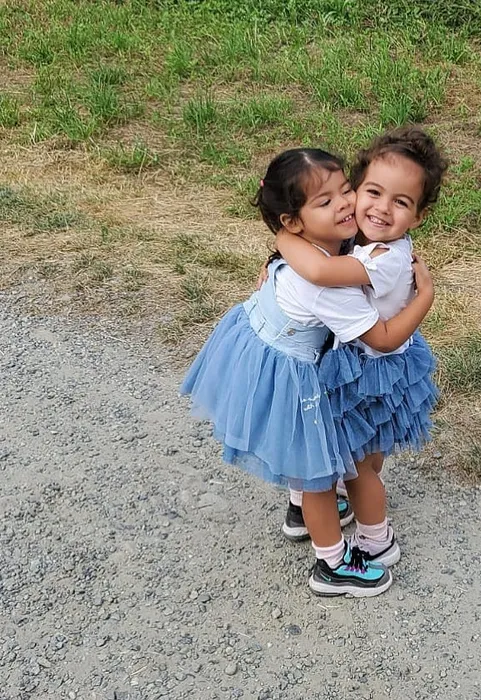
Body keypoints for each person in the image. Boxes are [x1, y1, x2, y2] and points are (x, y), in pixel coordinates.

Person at [180, 147, 435, 597]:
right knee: (315, 469)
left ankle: (303, 512)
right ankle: (333, 564)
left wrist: (281, 241)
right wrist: (425, 297)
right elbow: (358, 315)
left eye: (345, 190)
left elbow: (318, 262)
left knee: (313, 458)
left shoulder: (329, 249)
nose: (345, 204)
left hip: (263, 350)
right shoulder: (325, 284)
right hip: (287, 371)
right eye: (325, 201)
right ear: (293, 221)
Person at [276, 126, 447, 565]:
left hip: (371, 370)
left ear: (419, 216)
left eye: (401, 202)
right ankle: (321, 506)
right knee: (351, 452)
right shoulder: (363, 238)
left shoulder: (386, 258)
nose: (382, 209)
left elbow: (321, 272)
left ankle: (376, 541)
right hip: (355, 363)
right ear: (355, 190)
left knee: (359, 466)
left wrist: (284, 238)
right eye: (372, 192)